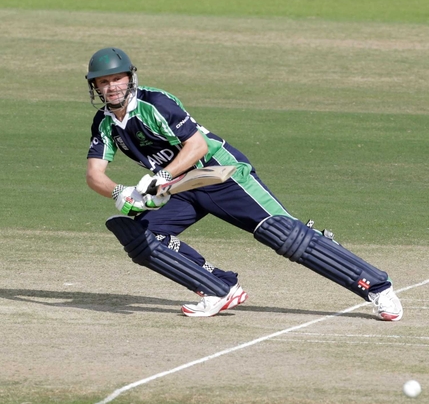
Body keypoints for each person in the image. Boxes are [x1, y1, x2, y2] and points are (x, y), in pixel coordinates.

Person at [84, 47, 403, 320]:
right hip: (178, 188)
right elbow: (94, 174)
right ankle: (216, 288)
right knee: (143, 237)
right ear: (96, 87)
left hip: (216, 172)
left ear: (130, 78)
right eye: (104, 81)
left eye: (117, 78)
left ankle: (378, 288)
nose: (112, 87)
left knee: (283, 235)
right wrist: (120, 193)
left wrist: (160, 178)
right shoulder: (105, 123)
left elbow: (197, 147)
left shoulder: (156, 103)